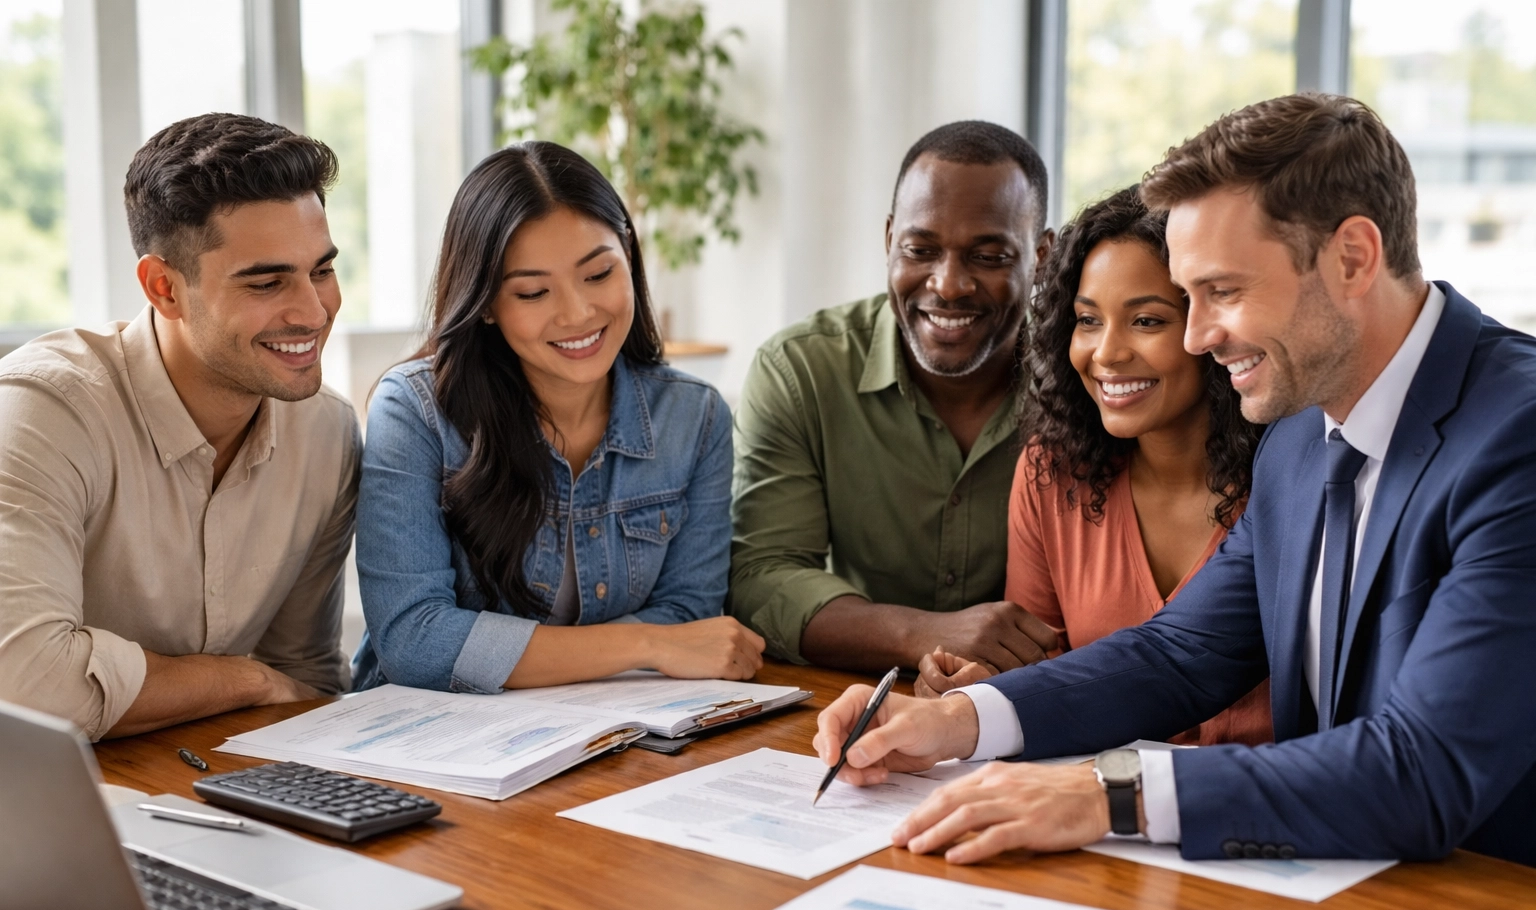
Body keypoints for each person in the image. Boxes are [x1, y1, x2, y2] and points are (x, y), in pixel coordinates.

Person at [813, 93, 1536, 868]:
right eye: (1188, 299)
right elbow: (1180, 654)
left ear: (1353, 258)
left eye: (1223, 292)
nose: (1197, 337)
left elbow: (1423, 771)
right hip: (1338, 884)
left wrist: (1106, 794)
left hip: (1492, 908)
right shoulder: (1298, 434)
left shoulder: (1515, 437)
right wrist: (954, 721)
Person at [353, 142, 764, 693]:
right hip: (432, 743)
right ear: (486, 306)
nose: (577, 313)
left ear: (629, 258)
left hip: (610, 735)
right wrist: (648, 645)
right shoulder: (415, 412)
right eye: (533, 291)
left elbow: (691, 612)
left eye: (598, 275)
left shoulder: (694, 418)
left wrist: (669, 641)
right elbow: (414, 641)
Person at [0, 113, 360, 740]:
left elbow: (302, 680)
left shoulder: (325, 432)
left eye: (322, 271)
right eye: (268, 282)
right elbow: (26, 691)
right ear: (163, 287)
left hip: (211, 785)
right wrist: (242, 680)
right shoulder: (43, 413)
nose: (313, 311)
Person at [921, 186, 1271, 747]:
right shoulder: (1054, 471)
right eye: (1087, 320)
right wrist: (975, 693)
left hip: (1254, 811)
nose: (1105, 353)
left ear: (1211, 328)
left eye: (1147, 321)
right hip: (1093, 805)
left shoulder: (1291, 475)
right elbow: (1043, 670)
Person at [730, 121, 1060, 675]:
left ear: (1042, 255)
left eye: (989, 256)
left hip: (1035, 702)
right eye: (920, 249)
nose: (949, 284)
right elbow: (762, 575)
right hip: (848, 700)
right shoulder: (800, 371)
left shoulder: (1088, 379)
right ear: (889, 242)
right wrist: (924, 635)